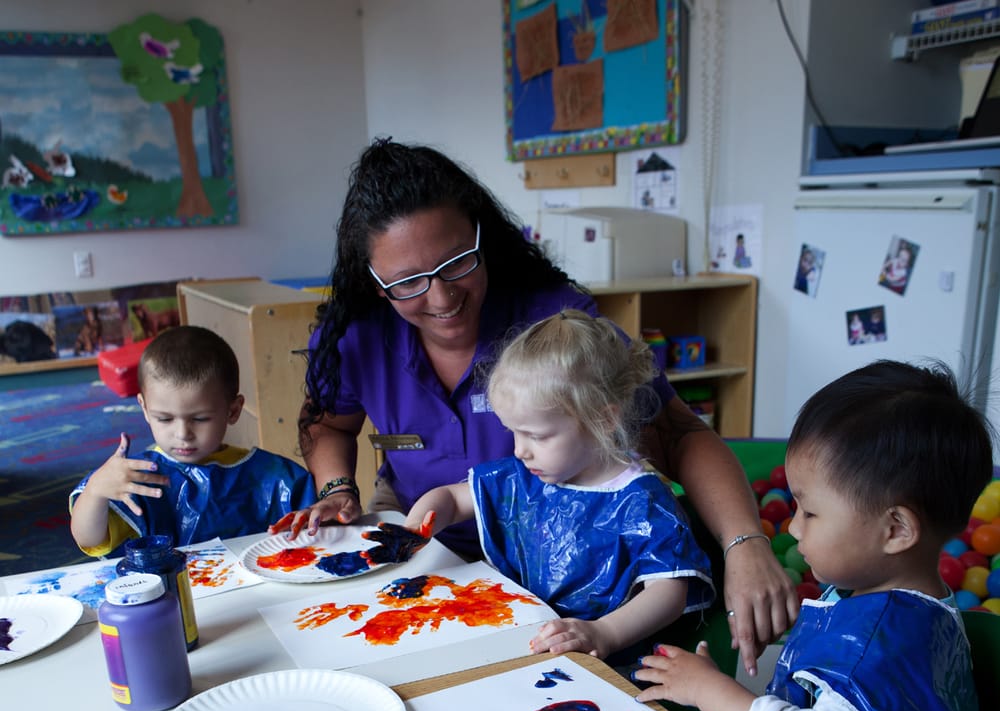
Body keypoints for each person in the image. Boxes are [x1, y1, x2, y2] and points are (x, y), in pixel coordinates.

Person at [272, 138, 796, 675]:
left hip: (555, 558)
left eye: (456, 263)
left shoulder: (558, 327)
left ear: (483, 237)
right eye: (407, 283)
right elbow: (329, 425)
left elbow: (680, 435)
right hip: (421, 529)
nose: (440, 297)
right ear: (375, 284)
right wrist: (338, 490)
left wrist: (744, 544)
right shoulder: (355, 336)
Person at [633, 360, 990, 711]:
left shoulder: (895, 633)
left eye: (811, 510)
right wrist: (741, 698)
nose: (793, 529)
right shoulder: (865, 595)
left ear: (895, 530)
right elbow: (811, 691)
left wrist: (714, 693)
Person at [405, 310, 715, 660]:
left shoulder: (640, 500)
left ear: (603, 418)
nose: (520, 450)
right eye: (514, 432)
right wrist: (419, 525)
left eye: (536, 436)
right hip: (520, 642)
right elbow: (449, 497)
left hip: (602, 665)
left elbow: (669, 593)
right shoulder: (524, 474)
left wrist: (605, 632)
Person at [70, 325, 316, 557]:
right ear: (144, 409)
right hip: (172, 595)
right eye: (164, 419)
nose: (182, 433)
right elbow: (89, 539)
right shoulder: (136, 476)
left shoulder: (271, 474)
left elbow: (316, 532)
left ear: (232, 411)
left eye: (199, 419)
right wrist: (95, 491)